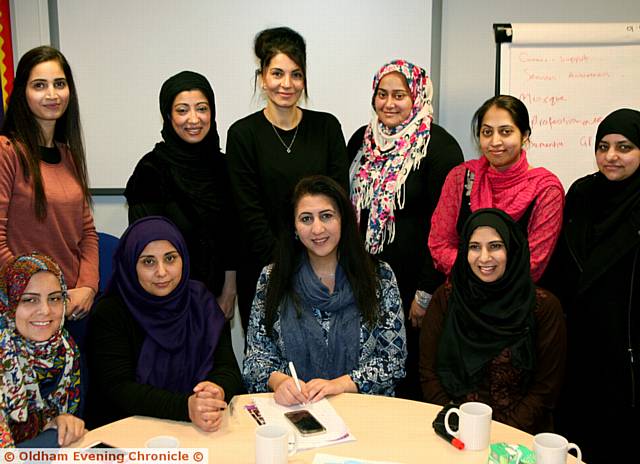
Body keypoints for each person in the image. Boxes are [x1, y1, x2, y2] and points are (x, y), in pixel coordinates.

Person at [348, 59, 463, 400]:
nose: (388, 103)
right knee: (365, 369)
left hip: (413, 286)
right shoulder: (361, 141)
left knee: (410, 374)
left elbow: (447, 225)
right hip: (363, 281)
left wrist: (426, 291)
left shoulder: (439, 147)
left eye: (399, 95)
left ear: (417, 97)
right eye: (382, 94)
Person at [243, 175, 406, 405]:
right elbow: (255, 359)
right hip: (296, 409)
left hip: (365, 411)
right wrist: (280, 382)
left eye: (326, 216)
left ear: (343, 220)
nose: (317, 228)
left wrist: (339, 385)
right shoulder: (272, 278)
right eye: (306, 219)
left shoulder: (379, 276)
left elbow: (393, 360)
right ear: (295, 228)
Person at [226, 27, 349, 330]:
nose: (287, 84)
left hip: (323, 264)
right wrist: (284, 267)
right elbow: (248, 210)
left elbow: (338, 199)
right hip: (264, 267)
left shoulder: (327, 127)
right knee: (273, 364)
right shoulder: (243, 134)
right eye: (277, 73)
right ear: (262, 78)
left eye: (296, 74)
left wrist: (313, 261)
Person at [544, 109, 640, 463]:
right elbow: (564, 264)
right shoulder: (582, 193)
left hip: (626, 355)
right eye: (603, 146)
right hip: (580, 347)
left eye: (624, 147)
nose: (611, 156)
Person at [85, 217, 242, 431]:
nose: (161, 272)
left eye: (170, 259)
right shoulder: (110, 312)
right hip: (129, 429)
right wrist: (185, 407)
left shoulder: (201, 302)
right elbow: (119, 388)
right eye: (148, 262)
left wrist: (216, 390)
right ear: (130, 263)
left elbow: (228, 368)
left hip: (200, 425)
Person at [419, 209, 566, 434]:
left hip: (518, 436)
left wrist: (499, 434)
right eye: (474, 247)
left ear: (512, 249)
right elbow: (428, 372)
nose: (484, 257)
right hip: (452, 429)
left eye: (495, 246)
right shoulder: (447, 299)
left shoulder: (542, 308)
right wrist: (454, 421)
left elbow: (545, 390)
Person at [125, 71, 237, 319]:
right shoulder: (151, 170)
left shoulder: (225, 167)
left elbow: (232, 238)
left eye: (202, 108)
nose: (194, 119)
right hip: (165, 303)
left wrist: (229, 293)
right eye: (182, 110)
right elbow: (145, 250)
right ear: (168, 115)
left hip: (214, 302)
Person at [0, 46, 98, 322]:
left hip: (71, 305)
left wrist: (87, 287)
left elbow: (88, 234)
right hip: (23, 308)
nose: (52, 94)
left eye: (59, 84)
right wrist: (38, 295)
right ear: (22, 93)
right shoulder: (7, 151)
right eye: (39, 85)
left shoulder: (69, 156)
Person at [429, 95, 564, 283]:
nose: (495, 141)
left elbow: (535, 262)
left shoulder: (546, 190)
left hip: (516, 303)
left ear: (524, 135)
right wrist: (477, 274)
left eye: (506, 132)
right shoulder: (460, 177)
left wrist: (481, 274)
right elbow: (440, 243)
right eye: (487, 132)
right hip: (462, 298)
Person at [0, 253, 85, 447]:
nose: (45, 310)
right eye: (29, 300)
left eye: (54, 298)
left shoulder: (66, 349)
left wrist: (59, 423)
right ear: (9, 304)